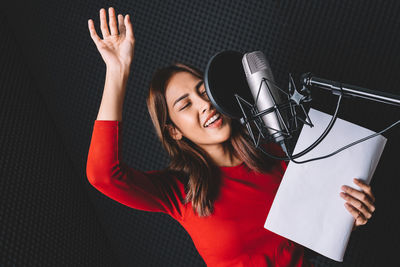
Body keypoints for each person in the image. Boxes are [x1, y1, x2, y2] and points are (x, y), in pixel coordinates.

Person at [86, 7, 376, 267]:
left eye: (203, 92)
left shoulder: (276, 154)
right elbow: (103, 175)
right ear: (174, 131)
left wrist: (350, 215)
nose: (204, 105)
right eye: (185, 105)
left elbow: (314, 234)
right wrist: (117, 69)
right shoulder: (178, 193)